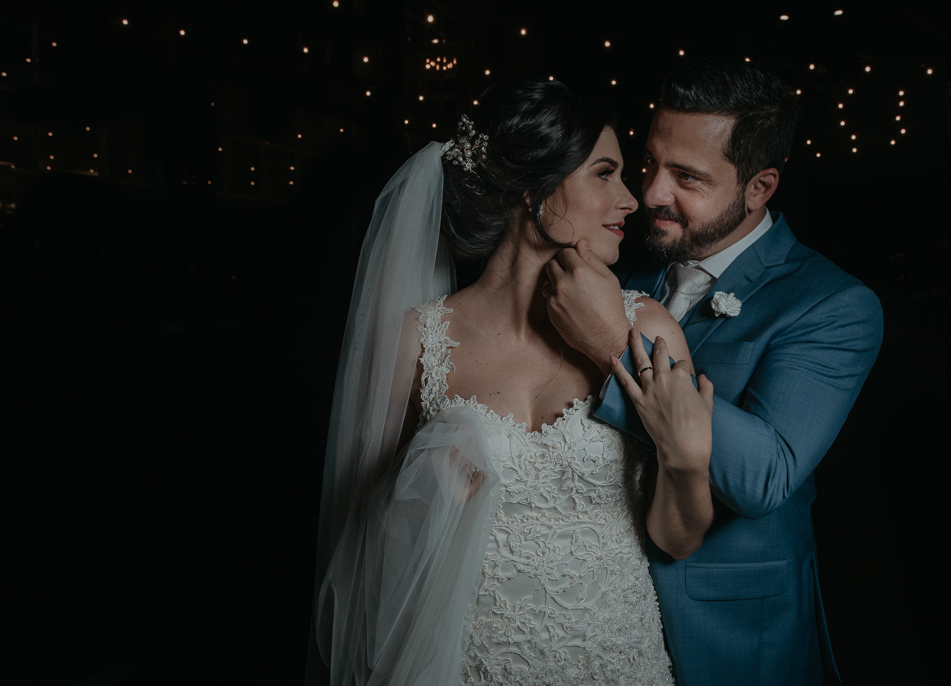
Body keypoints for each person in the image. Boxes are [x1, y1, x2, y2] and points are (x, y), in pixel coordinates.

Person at [308, 78, 715, 686]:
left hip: (614, 653)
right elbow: (361, 539)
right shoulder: (416, 342)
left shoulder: (646, 329)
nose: (631, 199)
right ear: (533, 188)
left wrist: (685, 462)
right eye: (605, 173)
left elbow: (677, 541)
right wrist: (427, 491)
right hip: (466, 658)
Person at [546, 58, 885, 685]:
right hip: (598, 610)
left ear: (759, 187)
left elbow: (764, 474)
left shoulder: (832, 304)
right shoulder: (629, 272)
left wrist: (609, 349)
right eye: (651, 163)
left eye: (686, 177)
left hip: (730, 628)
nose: (650, 193)